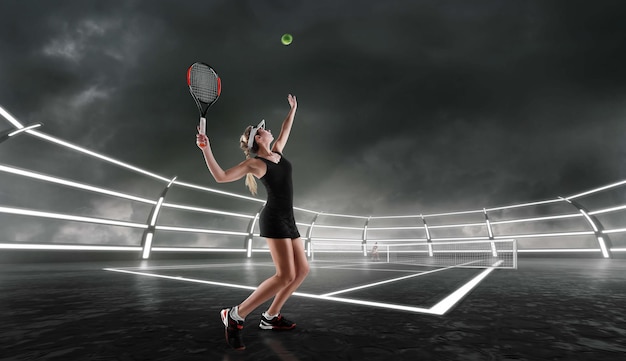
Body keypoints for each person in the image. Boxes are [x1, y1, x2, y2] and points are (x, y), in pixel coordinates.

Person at [196, 94, 309, 350]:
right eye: (263, 130)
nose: (269, 130)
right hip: (274, 219)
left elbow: (284, 129)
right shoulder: (255, 164)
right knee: (285, 275)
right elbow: (221, 177)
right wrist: (206, 149)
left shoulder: (277, 152)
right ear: (258, 138)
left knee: (301, 271)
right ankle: (235, 314)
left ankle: (270, 317)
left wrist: (293, 109)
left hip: (289, 219)